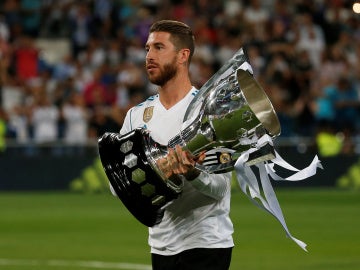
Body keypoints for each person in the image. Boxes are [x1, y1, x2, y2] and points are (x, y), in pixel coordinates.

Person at [118, 20, 234, 270]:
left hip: (207, 244)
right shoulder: (136, 116)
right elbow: (117, 182)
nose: (149, 55)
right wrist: (150, 172)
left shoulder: (210, 113)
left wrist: (192, 174)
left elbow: (220, 188)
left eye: (159, 47)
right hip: (160, 245)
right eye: (147, 48)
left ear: (183, 55)